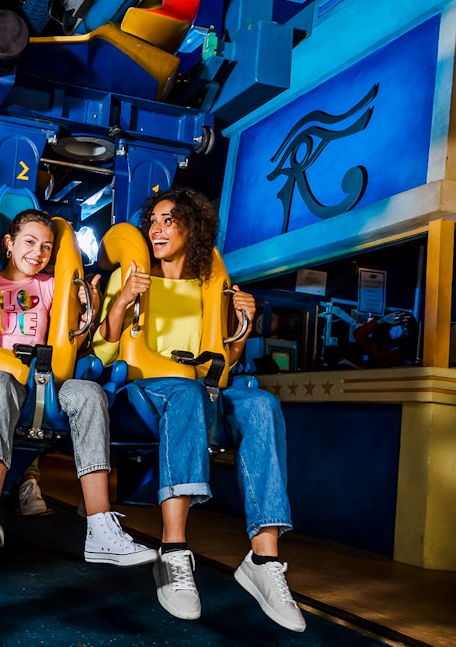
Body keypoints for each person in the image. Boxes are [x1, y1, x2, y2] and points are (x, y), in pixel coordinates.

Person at [92, 188, 305, 632]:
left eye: (168, 220)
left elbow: (225, 362)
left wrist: (243, 324)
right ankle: (173, 552)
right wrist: (122, 300)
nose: (156, 229)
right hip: (142, 394)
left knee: (261, 404)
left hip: (199, 391)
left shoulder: (211, 285)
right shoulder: (131, 276)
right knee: (187, 393)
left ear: (192, 227)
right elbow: (104, 351)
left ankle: (263, 559)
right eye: (153, 220)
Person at [0, 209, 156, 567]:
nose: (38, 253)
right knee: (0, 383)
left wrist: (87, 309)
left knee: (90, 394)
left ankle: (100, 525)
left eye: (47, 247)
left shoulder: (50, 286)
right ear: (8, 243)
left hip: (44, 380)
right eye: (30, 242)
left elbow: (74, 341)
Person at [353, 310, 418, 368]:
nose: (399, 327)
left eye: (404, 326)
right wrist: (382, 320)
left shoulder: (404, 351)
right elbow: (357, 334)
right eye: (397, 323)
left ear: (408, 333)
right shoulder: (378, 339)